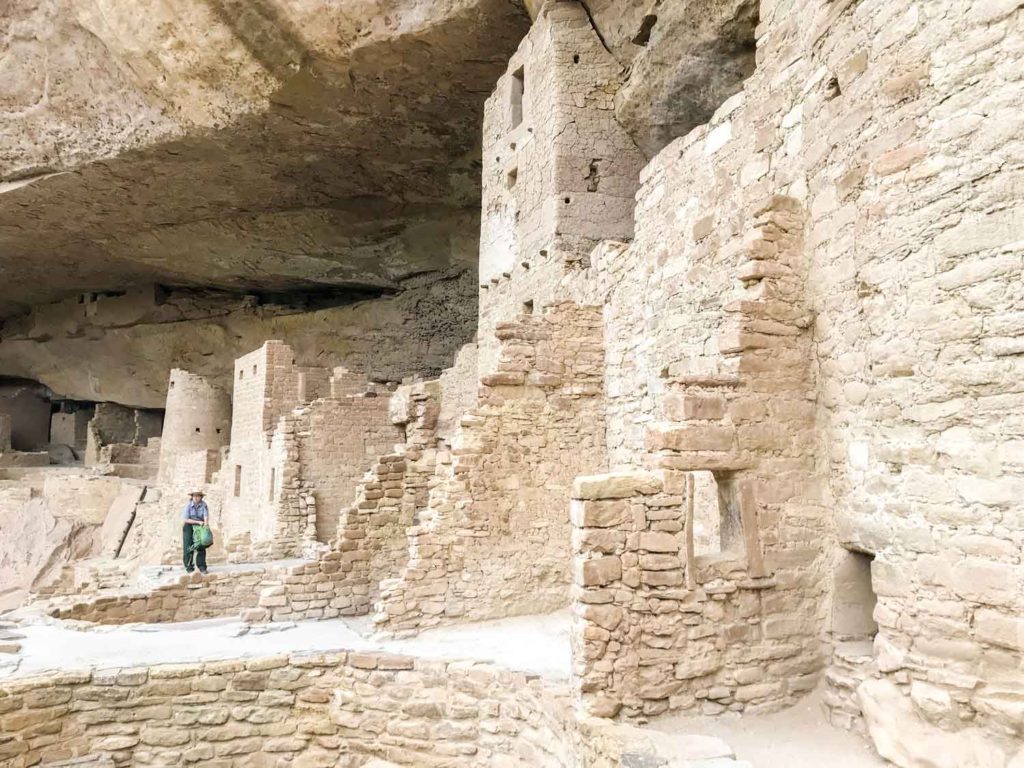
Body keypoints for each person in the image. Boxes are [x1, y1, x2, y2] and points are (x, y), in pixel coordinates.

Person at [182, 490, 210, 574]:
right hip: (189, 525)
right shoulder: (188, 506)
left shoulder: (204, 505)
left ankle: (202, 566)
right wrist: (198, 522)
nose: (196, 498)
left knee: (201, 545)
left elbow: (205, 516)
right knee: (188, 546)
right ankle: (189, 567)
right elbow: (186, 519)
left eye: (198, 496)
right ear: (192, 497)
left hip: (200, 526)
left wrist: (206, 525)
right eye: (194, 496)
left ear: (201, 497)